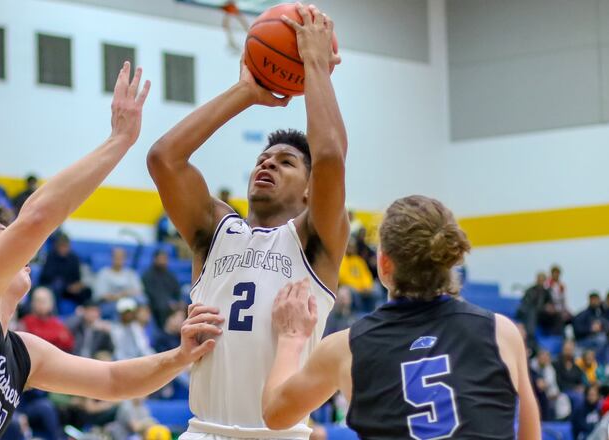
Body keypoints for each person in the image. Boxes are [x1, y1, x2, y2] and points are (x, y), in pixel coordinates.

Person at [0, 63, 223, 439]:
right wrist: (119, 140)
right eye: (2, 235)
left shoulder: (22, 354)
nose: (18, 246)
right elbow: (37, 219)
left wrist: (180, 356)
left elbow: (113, 380)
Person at [147, 4, 347, 438]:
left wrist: (315, 67)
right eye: (263, 158)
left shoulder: (315, 240)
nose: (268, 164)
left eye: (286, 162)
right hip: (204, 430)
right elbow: (164, 158)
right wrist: (245, 92)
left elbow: (330, 156)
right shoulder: (213, 231)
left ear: (311, 189)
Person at [261, 195, 541, 439]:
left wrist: (291, 338)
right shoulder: (501, 332)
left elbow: (275, 414)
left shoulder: (346, 348)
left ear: (383, 264)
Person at [39, 233, 91, 305]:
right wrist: (66, 286)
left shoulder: (74, 258)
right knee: (57, 287)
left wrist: (77, 285)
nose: (63, 249)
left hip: (71, 288)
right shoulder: (50, 257)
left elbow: (77, 277)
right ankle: (54, 312)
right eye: (62, 246)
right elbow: (47, 277)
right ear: (57, 246)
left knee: (87, 291)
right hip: (55, 287)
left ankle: (83, 310)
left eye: (66, 246)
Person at [19, 287, 75, 352]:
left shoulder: (58, 323)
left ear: (51, 303)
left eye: (43, 301)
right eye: (37, 300)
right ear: (32, 303)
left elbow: (68, 343)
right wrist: (55, 337)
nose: (40, 304)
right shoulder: (25, 322)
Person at [142, 249, 183, 328]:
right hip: (156, 304)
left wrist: (178, 301)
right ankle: (164, 332)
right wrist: (168, 302)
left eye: (165, 259)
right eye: (161, 259)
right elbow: (150, 293)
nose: (163, 261)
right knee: (162, 307)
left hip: (171, 302)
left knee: (185, 306)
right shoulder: (148, 275)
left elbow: (177, 290)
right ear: (155, 259)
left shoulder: (170, 275)